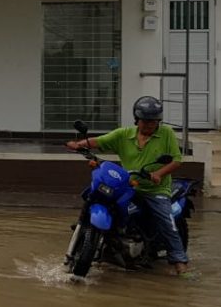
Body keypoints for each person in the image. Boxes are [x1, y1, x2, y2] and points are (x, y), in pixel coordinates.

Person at [65, 96, 190, 276]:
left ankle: (180, 263)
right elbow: (100, 141)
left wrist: (158, 174)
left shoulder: (166, 134)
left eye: (153, 121)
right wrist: (78, 145)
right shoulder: (124, 134)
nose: (149, 124)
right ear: (137, 119)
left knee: (166, 221)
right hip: (129, 185)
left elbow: (177, 160)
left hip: (155, 190)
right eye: (145, 120)